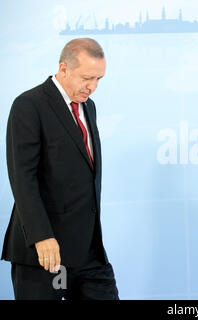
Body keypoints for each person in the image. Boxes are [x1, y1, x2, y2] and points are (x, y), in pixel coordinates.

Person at [1, 38, 119, 300]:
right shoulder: (29, 105)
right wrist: (42, 237)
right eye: (87, 78)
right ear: (63, 69)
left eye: (99, 79)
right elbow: (23, 178)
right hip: (45, 254)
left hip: (88, 252)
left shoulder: (88, 106)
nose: (93, 86)